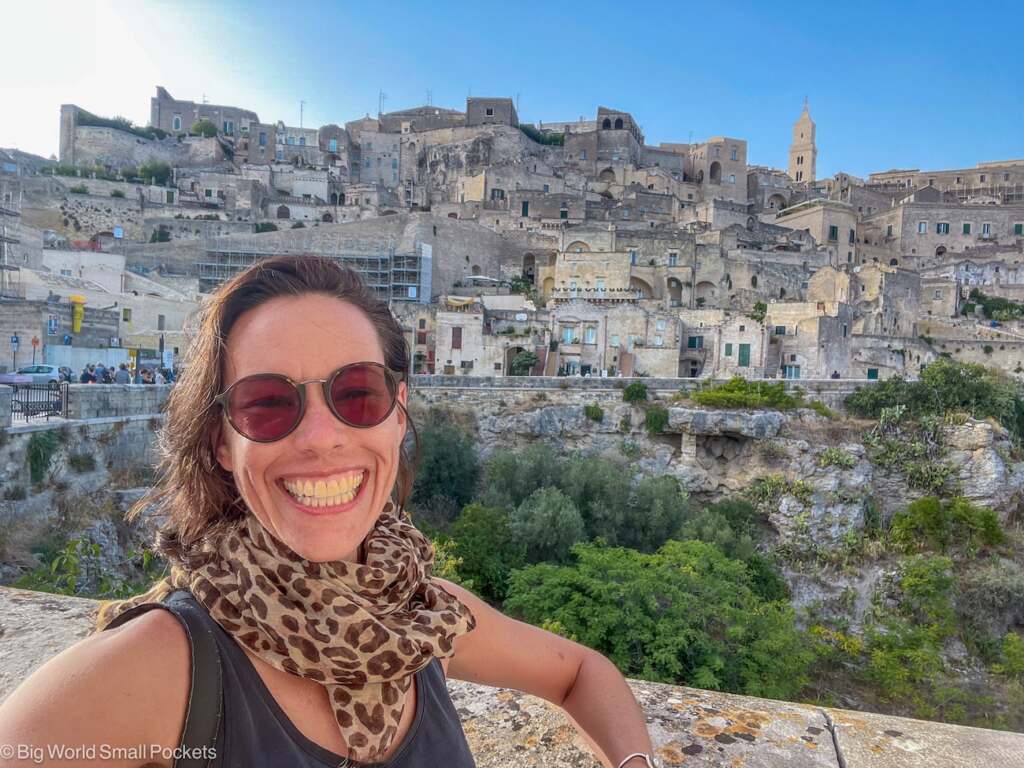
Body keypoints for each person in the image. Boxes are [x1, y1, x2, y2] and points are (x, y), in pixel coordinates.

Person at [0, 255, 658, 768]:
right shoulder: (160, 668)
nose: (320, 438)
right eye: (267, 403)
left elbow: (580, 673)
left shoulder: (418, 620)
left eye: (358, 394)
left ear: (399, 413)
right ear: (220, 444)